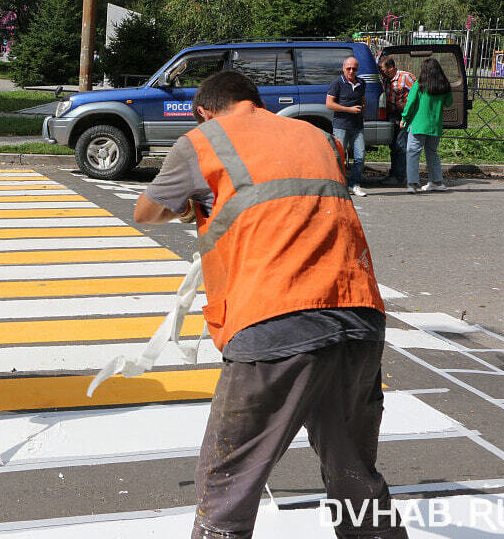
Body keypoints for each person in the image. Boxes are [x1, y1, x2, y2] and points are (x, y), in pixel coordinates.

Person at [135, 70, 407, 539]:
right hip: (357, 313)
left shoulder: (202, 141)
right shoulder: (315, 135)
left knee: (226, 486)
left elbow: (146, 211)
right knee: (355, 477)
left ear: (204, 111)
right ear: (255, 101)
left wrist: (189, 206)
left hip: (274, 320)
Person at [402, 58, 454, 194]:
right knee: (432, 152)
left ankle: (413, 184)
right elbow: (449, 103)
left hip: (419, 124)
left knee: (413, 153)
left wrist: (404, 118)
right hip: (435, 125)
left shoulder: (420, 84)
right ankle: (436, 181)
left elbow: (411, 102)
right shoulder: (444, 86)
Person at [326, 56, 368, 197]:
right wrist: (349, 109)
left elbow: (363, 100)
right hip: (341, 125)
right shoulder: (337, 83)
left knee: (360, 156)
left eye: (354, 69)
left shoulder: (362, 83)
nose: (351, 71)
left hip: (357, 125)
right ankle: (339, 184)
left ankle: (355, 184)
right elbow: (329, 104)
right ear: (343, 68)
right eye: (348, 68)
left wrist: (363, 112)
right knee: (339, 156)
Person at [378, 56, 416, 186]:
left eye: (383, 69)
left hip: (403, 115)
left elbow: (419, 95)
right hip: (391, 115)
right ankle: (394, 174)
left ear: (391, 68)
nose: (381, 72)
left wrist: (406, 106)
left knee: (400, 146)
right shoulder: (385, 79)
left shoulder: (406, 77)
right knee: (394, 146)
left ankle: (399, 177)